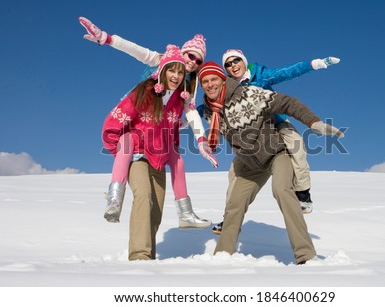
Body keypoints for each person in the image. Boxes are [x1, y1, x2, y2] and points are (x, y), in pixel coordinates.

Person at [198, 62, 344, 264]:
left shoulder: (249, 94)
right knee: (234, 204)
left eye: (214, 79)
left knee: (282, 190)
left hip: (275, 154)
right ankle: (222, 256)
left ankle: (305, 255)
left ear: (223, 80)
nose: (210, 84)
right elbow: (184, 115)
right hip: (249, 165)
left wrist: (314, 122)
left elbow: (288, 103)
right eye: (205, 81)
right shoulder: (208, 111)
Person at [79, 17, 217, 228]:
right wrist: (107, 39)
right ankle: (114, 199)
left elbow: (190, 112)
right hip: (136, 115)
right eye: (191, 56)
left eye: (198, 61)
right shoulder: (164, 60)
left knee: (176, 158)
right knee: (126, 144)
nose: (193, 63)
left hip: (160, 127)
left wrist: (200, 138)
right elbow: (136, 50)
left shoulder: (189, 84)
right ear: (182, 52)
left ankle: (186, 213)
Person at [102, 45, 196, 260]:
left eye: (180, 72)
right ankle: (139, 256)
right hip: (136, 155)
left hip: (159, 159)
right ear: (163, 71)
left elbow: (171, 132)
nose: (176, 75)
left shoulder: (178, 102)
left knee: (155, 212)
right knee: (143, 196)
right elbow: (116, 118)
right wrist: (120, 147)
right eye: (172, 70)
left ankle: (149, 258)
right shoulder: (145, 91)